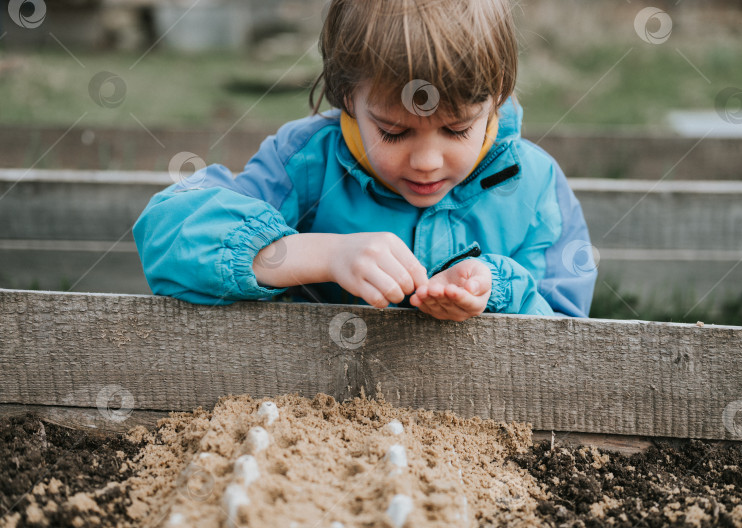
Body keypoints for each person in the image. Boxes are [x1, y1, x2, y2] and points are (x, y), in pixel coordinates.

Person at [133, 0, 596, 321]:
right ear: (346, 96)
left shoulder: (535, 187)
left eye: (457, 130)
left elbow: (567, 337)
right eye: (394, 132)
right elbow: (170, 232)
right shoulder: (309, 161)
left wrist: (497, 290)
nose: (428, 161)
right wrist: (324, 255)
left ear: (496, 99)